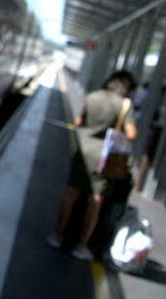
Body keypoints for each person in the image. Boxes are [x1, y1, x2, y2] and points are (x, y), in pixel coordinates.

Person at [49, 71, 137, 261]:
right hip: (106, 156)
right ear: (126, 88)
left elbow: (79, 122)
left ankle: (57, 235)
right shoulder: (124, 105)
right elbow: (131, 134)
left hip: (83, 149)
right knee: (95, 201)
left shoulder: (92, 96)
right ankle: (81, 246)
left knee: (71, 192)